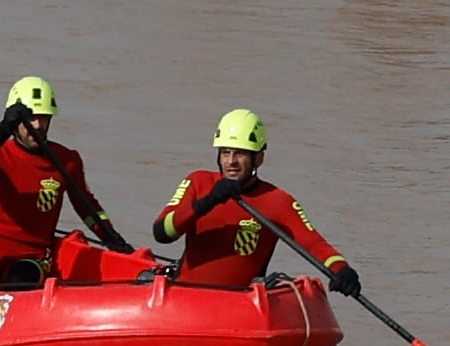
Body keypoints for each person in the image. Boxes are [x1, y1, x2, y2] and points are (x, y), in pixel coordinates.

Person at [148, 109, 358, 295]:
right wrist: (209, 201)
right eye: (225, 153)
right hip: (183, 300)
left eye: (240, 154)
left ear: (259, 158)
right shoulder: (198, 182)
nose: (231, 161)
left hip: (241, 308)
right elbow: (163, 232)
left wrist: (341, 269)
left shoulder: (278, 201)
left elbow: (313, 243)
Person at [0, 76, 129, 286]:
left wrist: (111, 238)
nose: (37, 125)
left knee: (18, 283)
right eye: (31, 118)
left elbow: (86, 207)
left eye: (44, 118)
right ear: (16, 122)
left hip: (33, 255)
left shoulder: (67, 160)